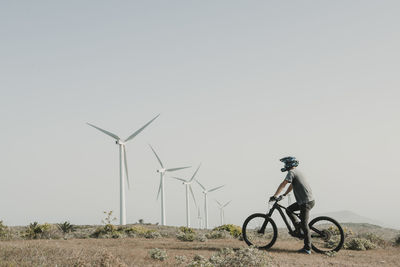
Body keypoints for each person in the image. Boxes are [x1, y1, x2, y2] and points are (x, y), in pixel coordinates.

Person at [270, 156, 315, 254]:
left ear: (288, 164)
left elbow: (283, 184)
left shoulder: (291, 172)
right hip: (307, 201)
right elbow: (291, 185)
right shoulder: (297, 172)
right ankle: (298, 229)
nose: (284, 166)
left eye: (285, 164)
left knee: (304, 224)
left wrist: (275, 195)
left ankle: (307, 248)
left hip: (305, 202)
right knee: (289, 209)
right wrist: (284, 195)